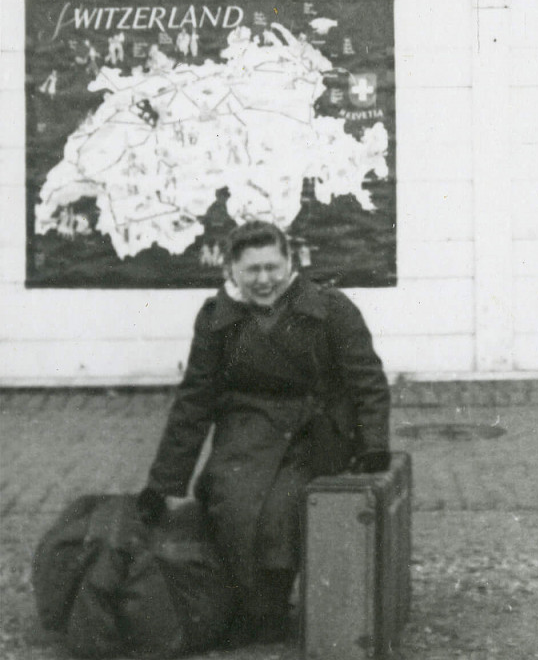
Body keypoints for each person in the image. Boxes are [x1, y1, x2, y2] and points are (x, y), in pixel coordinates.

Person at [136, 221, 391, 643]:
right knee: (228, 500)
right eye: (252, 270)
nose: (264, 280)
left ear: (290, 264)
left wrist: (374, 445)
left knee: (281, 509)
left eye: (273, 267)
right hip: (246, 429)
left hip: (314, 430)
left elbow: (368, 381)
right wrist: (161, 483)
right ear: (231, 270)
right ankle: (244, 605)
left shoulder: (331, 309)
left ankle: (269, 609)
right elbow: (195, 401)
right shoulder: (216, 320)